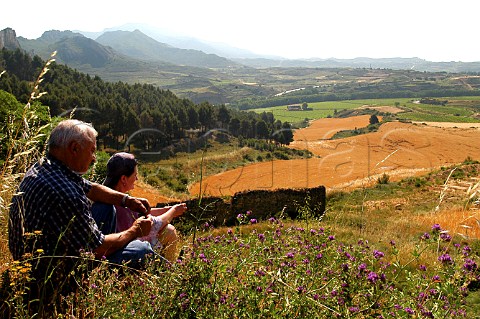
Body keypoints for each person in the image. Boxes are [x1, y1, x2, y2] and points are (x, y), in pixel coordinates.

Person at [7, 119, 155, 313]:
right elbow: (98, 246)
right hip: (52, 275)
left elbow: (90, 188)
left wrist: (126, 200)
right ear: (74, 148)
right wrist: (136, 230)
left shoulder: (47, 167)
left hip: (33, 256)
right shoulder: (66, 194)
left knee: (106, 207)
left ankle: (106, 260)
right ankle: (91, 288)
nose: (94, 158)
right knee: (143, 250)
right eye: (92, 151)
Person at [92, 152, 187, 263]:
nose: (136, 178)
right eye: (135, 175)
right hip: (120, 251)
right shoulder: (117, 205)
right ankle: (168, 270)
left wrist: (167, 209)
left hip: (114, 247)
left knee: (168, 230)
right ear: (123, 179)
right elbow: (155, 223)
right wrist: (173, 211)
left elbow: (142, 212)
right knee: (169, 231)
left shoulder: (110, 196)